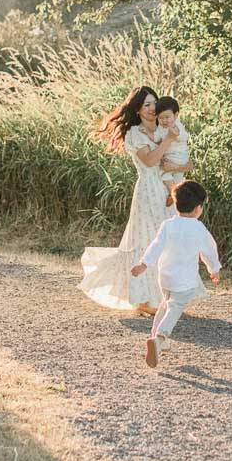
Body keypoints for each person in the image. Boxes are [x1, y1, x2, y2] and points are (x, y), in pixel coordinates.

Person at [79, 85, 182, 317]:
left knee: (169, 242)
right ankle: (144, 298)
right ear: (137, 109)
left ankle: (167, 296)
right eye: (146, 104)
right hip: (148, 191)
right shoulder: (134, 134)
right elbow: (150, 161)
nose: (152, 109)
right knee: (146, 242)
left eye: (154, 103)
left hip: (169, 190)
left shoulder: (164, 128)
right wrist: (168, 142)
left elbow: (178, 156)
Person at [131, 180, 221, 368]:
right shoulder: (198, 228)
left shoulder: (167, 225)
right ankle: (161, 336)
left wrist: (143, 264)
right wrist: (214, 269)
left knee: (165, 304)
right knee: (176, 306)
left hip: (165, 277)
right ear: (198, 209)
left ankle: (155, 339)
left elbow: (155, 246)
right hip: (185, 281)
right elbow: (209, 251)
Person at [154, 96, 192, 206]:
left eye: (167, 117)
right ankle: (176, 193)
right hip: (178, 158)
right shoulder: (161, 127)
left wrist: (176, 134)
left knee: (163, 173)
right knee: (177, 178)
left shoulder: (177, 125)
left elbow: (185, 137)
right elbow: (157, 138)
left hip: (177, 157)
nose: (164, 120)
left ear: (176, 115)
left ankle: (173, 191)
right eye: (161, 118)